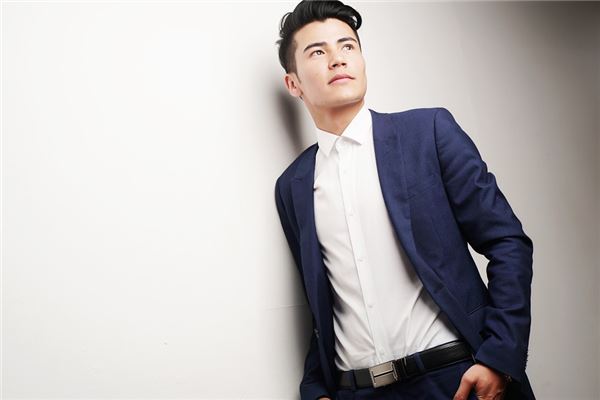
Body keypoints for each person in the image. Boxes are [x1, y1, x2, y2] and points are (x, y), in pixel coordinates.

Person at [273, 1, 535, 399]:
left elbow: (507, 241)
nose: (337, 59)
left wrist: (499, 356)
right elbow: (322, 304)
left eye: (347, 46)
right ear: (293, 84)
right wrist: (316, 388)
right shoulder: (292, 185)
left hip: (455, 379)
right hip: (359, 390)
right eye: (317, 52)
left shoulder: (427, 132)